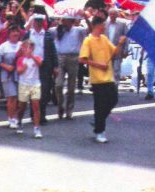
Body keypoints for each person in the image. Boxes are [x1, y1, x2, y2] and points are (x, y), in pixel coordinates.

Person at [79, 16, 126, 144]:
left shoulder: (104, 38)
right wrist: (99, 65)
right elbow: (82, 59)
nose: (105, 27)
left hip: (108, 77)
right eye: (103, 25)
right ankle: (100, 131)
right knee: (100, 105)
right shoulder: (88, 40)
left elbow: (115, 53)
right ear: (98, 25)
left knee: (113, 99)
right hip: (97, 79)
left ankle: (98, 121)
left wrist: (120, 44)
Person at [50, 13, 87, 120]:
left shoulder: (78, 30)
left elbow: (90, 30)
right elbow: (46, 33)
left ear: (72, 22)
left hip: (73, 58)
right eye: (63, 20)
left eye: (66, 21)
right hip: (60, 57)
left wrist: (86, 18)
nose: (64, 23)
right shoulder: (56, 30)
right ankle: (60, 106)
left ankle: (69, 109)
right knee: (58, 84)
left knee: (71, 86)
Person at [24, 13, 58, 124]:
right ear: (33, 22)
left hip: (45, 65)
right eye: (36, 21)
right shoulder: (28, 34)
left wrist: (55, 66)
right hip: (31, 65)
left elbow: (53, 51)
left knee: (44, 90)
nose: (38, 23)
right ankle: (33, 114)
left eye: (40, 21)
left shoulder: (48, 35)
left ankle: (42, 114)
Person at [15, 40, 43, 139]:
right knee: (22, 106)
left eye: (30, 48)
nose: (28, 50)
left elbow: (40, 64)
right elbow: (18, 71)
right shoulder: (21, 59)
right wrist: (23, 68)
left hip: (35, 84)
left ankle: (36, 128)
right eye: (26, 47)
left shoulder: (37, 57)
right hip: (24, 84)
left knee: (36, 106)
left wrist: (32, 57)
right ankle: (19, 121)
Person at [0, 25, 22, 129]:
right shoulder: (3, 46)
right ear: (9, 34)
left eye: (17, 32)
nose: (15, 34)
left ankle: (17, 117)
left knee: (20, 99)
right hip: (7, 75)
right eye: (13, 32)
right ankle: (11, 118)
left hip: (20, 74)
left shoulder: (22, 45)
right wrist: (6, 66)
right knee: (12, 97)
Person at [105, 8, 128, 84]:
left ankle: (115, 86)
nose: (112, 16)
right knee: (107, 70)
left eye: (114, 14)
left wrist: (125, 50)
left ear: (117, 15)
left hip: (118, 50)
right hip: (107, 51)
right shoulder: (105, 24)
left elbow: (126, 37)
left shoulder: (122, 24)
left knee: (116, 70)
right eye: (111, 14)